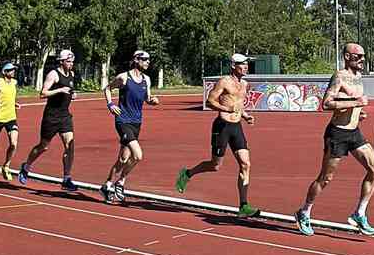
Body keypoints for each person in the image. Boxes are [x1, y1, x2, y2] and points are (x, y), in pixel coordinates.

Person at [294, 43, 374, 236]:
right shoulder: (339, 76)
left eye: (363, 55)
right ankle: (304, 212)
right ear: (347, 56)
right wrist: (355, 103)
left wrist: (359, 112)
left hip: (354, 132)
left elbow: (349, 104)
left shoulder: (358, 77)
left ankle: (359, 214)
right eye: (358, 56)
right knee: (325, 178)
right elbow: (326, 103)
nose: (362, 59)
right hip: (337, 134)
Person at [174, 53, 261, 219]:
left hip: (237, 127)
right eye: (242, 64)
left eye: (246, 64)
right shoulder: (224, 82)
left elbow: (238, 105)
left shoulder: (245, 84)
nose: (246, 67)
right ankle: (187, 174)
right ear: (233, 66)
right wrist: (226, 109)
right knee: (215, 165)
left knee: (245, 164)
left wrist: (245, 115)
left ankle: (243, 205)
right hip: (222, 126)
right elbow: (210, 101)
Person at [99, 50, 159, 204]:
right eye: (144, 59)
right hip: (123, 120)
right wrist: (110, 104)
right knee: (138, 155)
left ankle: (106, 185)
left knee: (123, 158)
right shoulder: (124, 77)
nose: (147, 62)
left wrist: (152, 101)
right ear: (136, 60)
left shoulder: (147, 79)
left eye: (148, 60)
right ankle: (121, 182)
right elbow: (106, 88)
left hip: (136, 122)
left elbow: (146, 98)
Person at [18, 50, 79, 191]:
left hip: (65, 116)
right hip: (51, 116)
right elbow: (43, 93)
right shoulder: (53, 74)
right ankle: (26, 166)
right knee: (43, 146)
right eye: (69, 61)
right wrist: (59, 90)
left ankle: (66, 178)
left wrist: (72, 93)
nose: (71, 64)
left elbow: (70, 89)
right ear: (62, 61)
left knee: (70, 146)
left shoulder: (71, 74)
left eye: (72, 61)